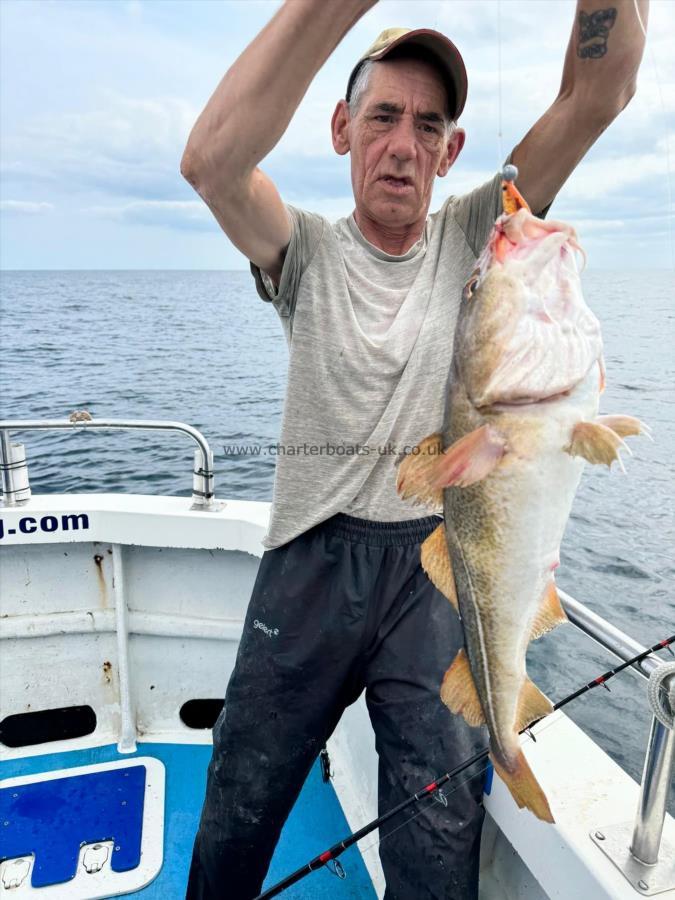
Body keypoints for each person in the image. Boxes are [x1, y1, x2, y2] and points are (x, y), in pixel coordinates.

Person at [181, 2, 647, 897]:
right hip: (308, 558)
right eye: (382, 117)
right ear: (342, 129)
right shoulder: (303, 249)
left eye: (426, 125)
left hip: (438, 571)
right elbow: (210, 162)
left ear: (451, 151)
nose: (402, 143)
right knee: (238, 799)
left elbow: (602, 89)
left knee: (438, 837)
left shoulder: (482, 234)